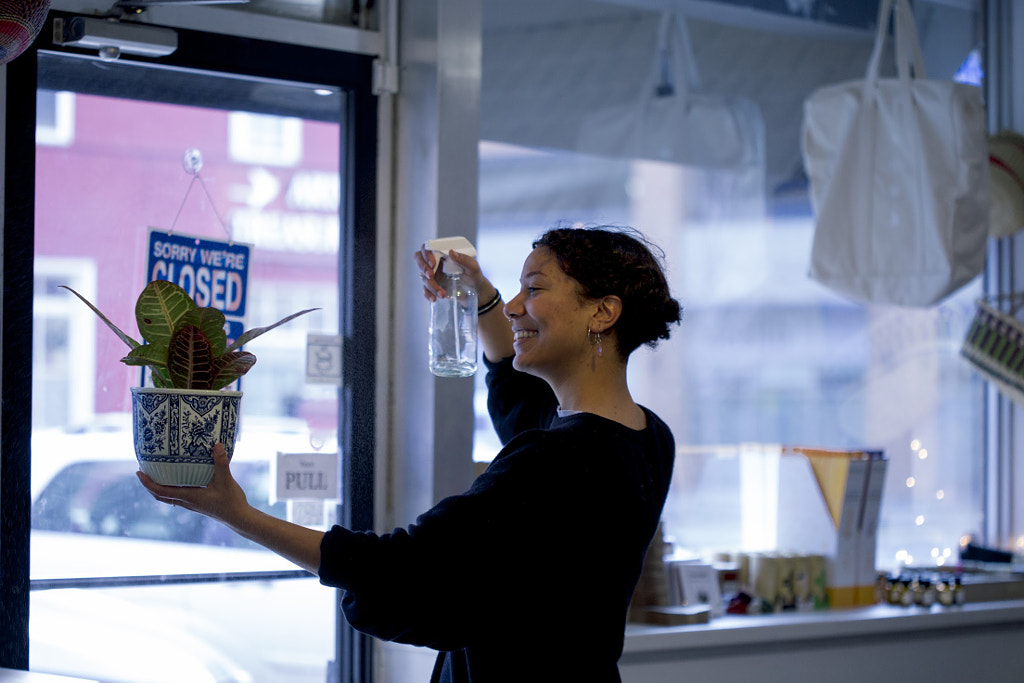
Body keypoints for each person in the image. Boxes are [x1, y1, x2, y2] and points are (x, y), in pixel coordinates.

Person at [139, 225, 682, 682]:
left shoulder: (551, 461)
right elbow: (522, 399)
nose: (515, 307)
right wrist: (481, 292)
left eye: (534, 289)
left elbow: (399, 570)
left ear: (603, 313)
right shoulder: (646, 439)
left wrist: (239, 515)